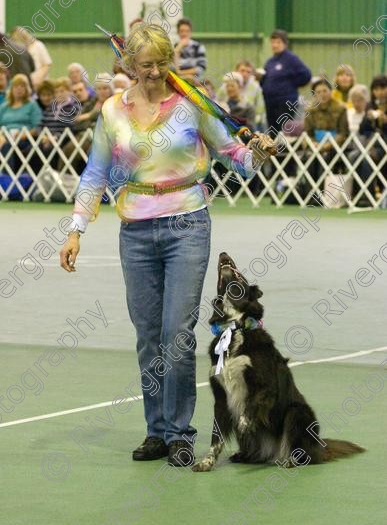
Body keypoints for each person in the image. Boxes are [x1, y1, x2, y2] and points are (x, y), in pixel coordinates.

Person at [59, 23, 271, 467]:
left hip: (187, 226)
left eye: (161, 64)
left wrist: (260, 153)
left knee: (176, 334)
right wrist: (76, 227)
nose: (154, 73)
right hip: (134, 231)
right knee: (148, 337)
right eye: (145, 66)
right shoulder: (113, 111)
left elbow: (235, 153)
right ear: (129, 66)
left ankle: (179, 433)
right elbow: (95, 174)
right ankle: (156, 431)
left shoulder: (191, 104)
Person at [261, 29, 311, 137]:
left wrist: (290, 85)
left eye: (278, 42)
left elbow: (306, 75)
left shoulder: (291, 59)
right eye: (273, 42)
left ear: (285, 43)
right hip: (270, 102)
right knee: (272, 129)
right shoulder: (270, 62)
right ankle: (275, 152)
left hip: (285, 102)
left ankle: (285, 152)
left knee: (284, 129)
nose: (275, 45)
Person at [0, 73, 42, 173]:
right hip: (3, 137)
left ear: (27, 89)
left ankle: (7, 177)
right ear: (11, 88)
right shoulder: (4, 107)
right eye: (16, 86)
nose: (19, 89)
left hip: (24, 139)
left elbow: (37, 127)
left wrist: (23, 135)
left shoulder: (32, 105)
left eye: (22, 86)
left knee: (7, 146)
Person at [216, 60, 265, 130]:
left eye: (248, 72)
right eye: (242, 70)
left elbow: (260, 111)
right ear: (236, 71)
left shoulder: (256, 88)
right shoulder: (224, 87)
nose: (245, 74)